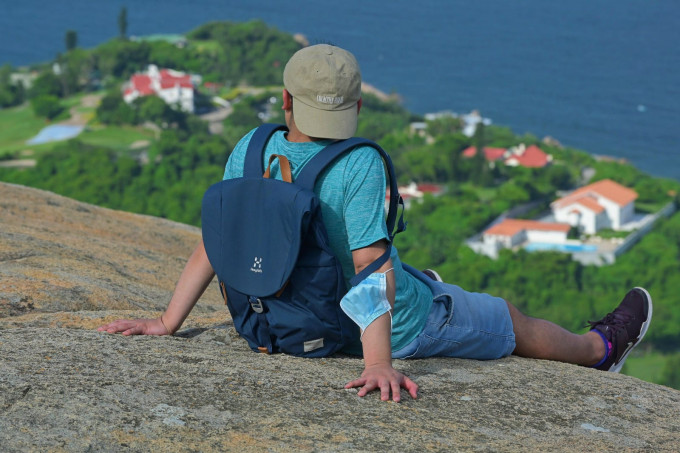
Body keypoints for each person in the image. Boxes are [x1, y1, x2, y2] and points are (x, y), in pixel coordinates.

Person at [98, 44, 653, 402]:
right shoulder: (356, 161)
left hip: (274, 324)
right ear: (355, 108)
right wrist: (379, 362)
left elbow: (219, 243)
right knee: (506, 317)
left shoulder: (250, 146)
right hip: (361, 331)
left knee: (414, 276)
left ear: (287, 101)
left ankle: (427, 285)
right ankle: (600, 351)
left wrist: (168, 323)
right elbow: (368, 267)